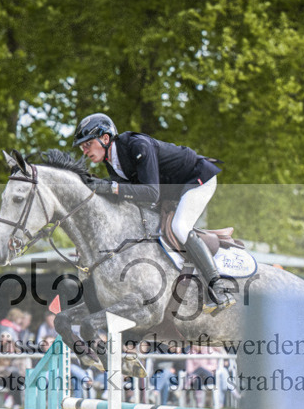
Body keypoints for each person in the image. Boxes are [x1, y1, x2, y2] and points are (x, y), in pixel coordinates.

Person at [74, 112, 234, 313]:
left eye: (87, 144)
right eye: (82, 146)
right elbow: (129, 190)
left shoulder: (137, 145)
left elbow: (150, 193)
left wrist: (111, 187)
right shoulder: (112, 160)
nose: (84, 150)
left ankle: (217, 286)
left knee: (179, 227)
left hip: (197, 179)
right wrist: (102, 185)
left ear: (105, 138)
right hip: (174, 190)